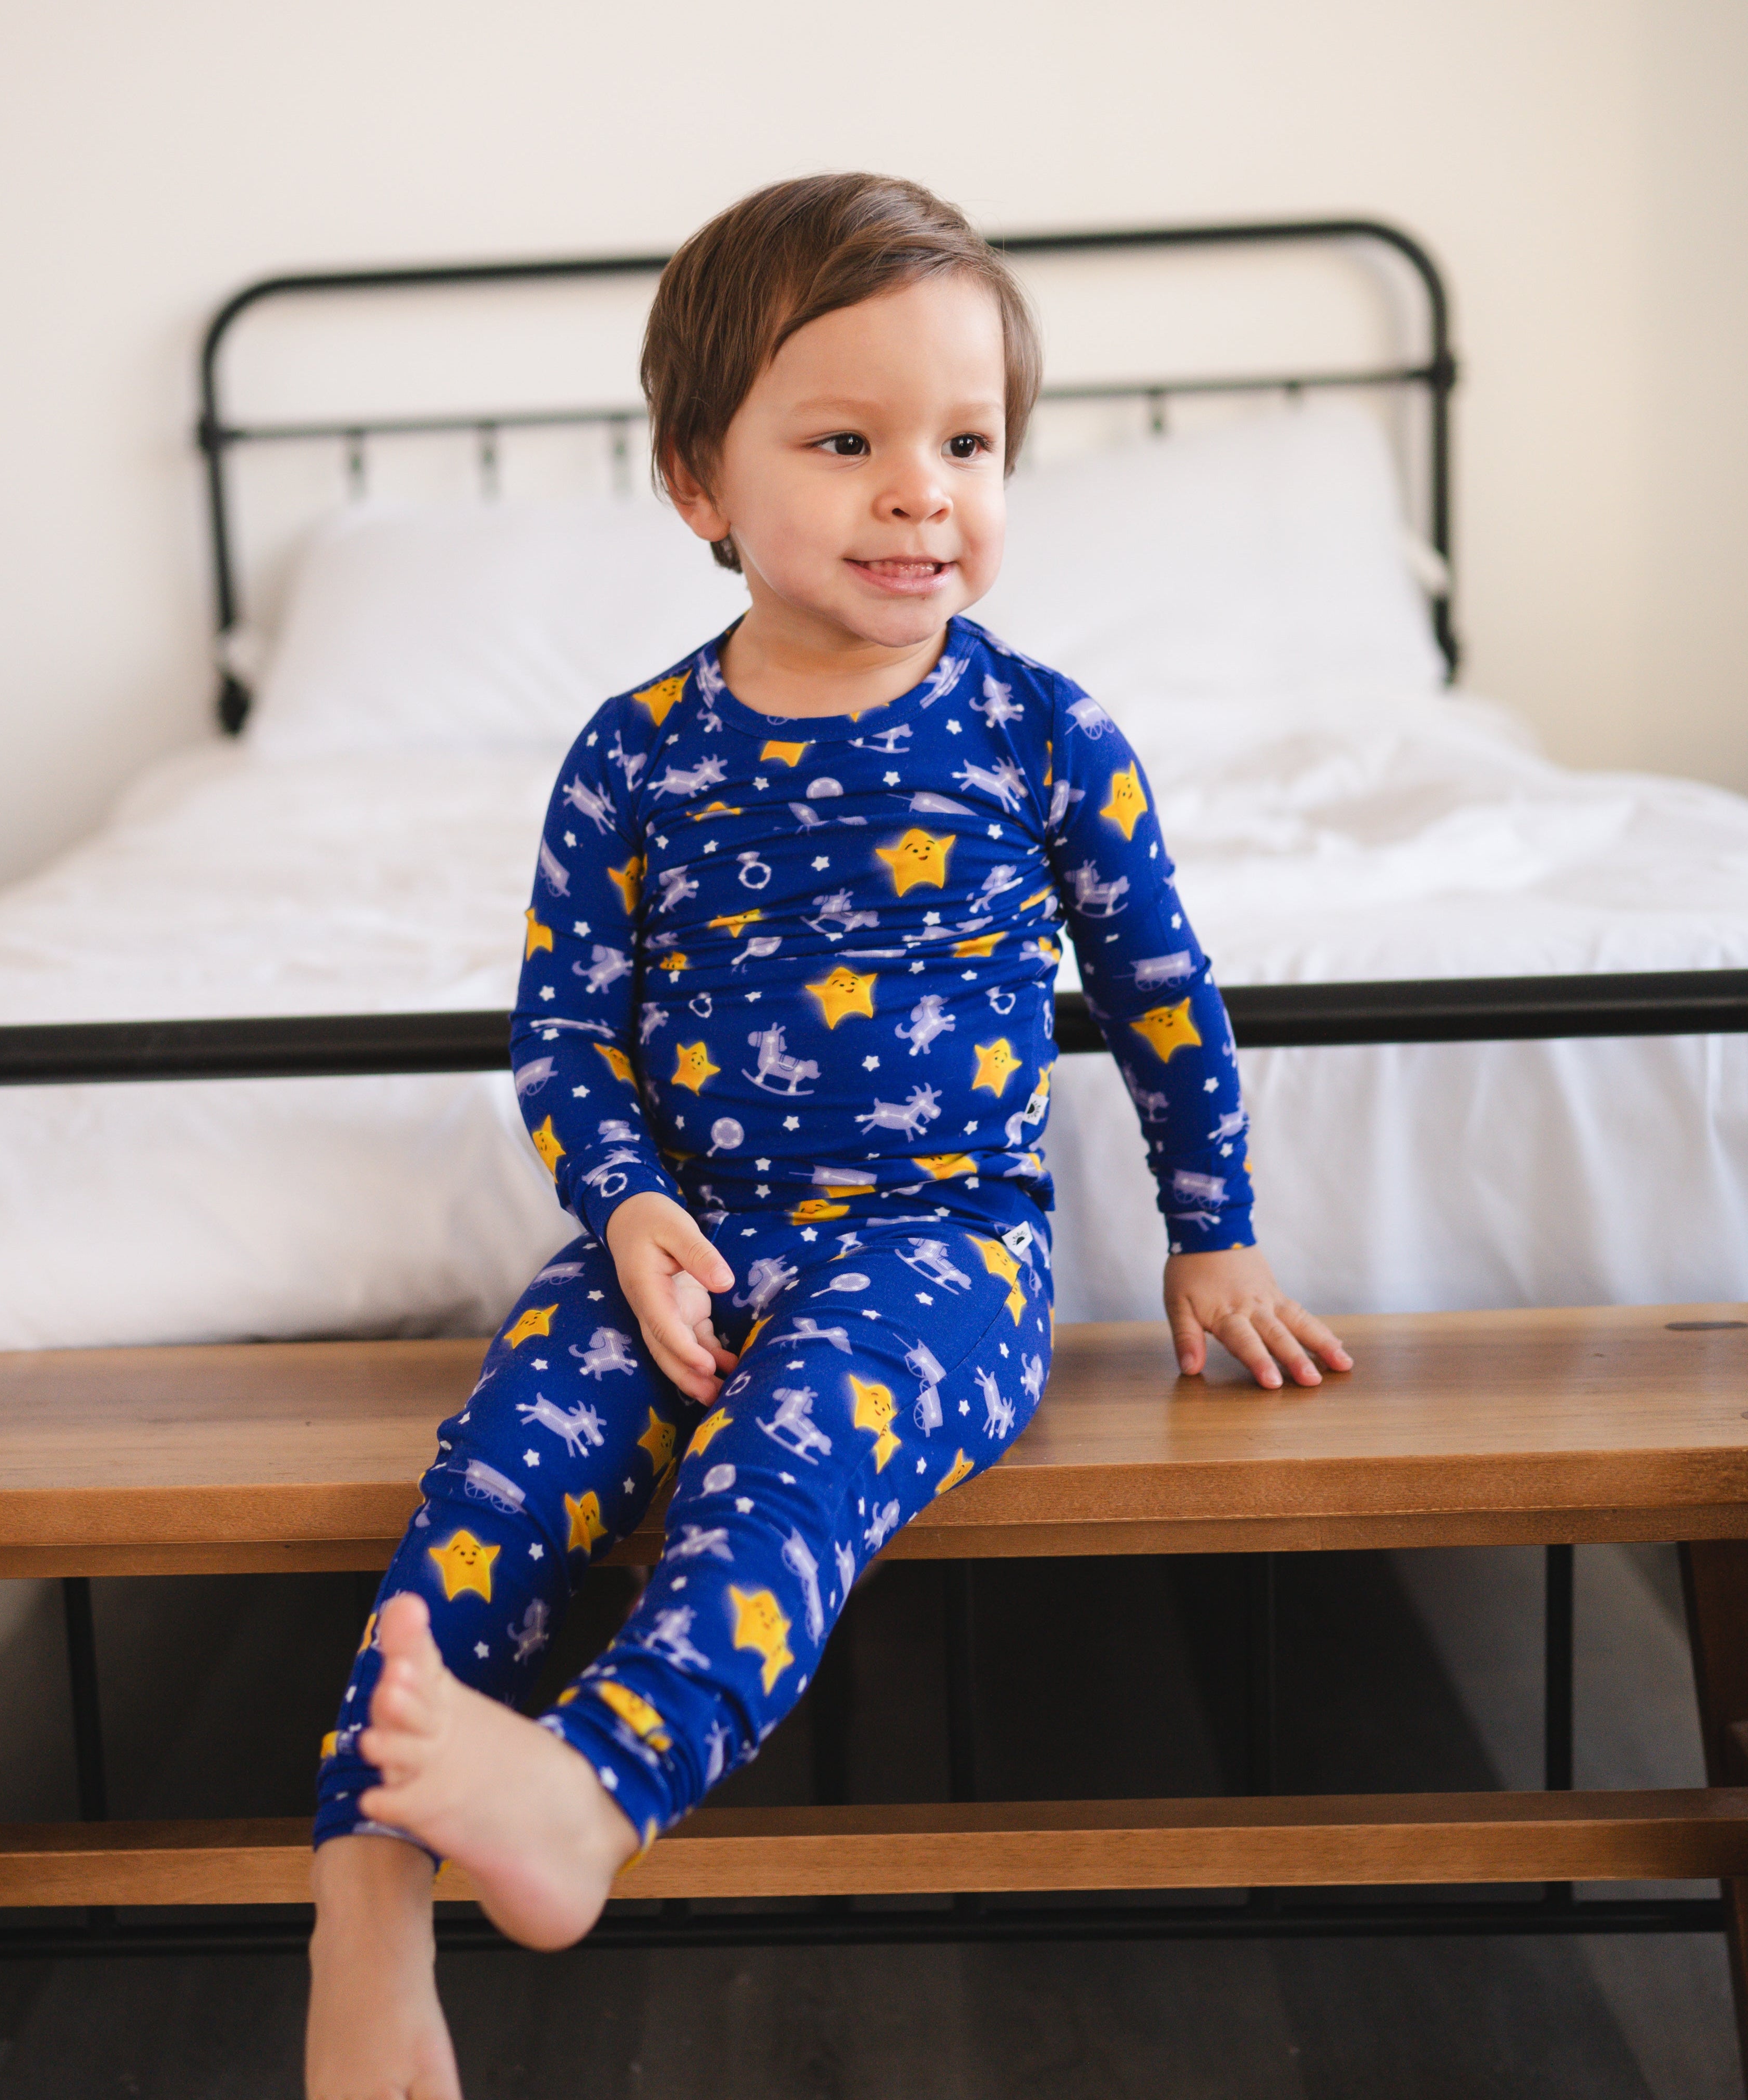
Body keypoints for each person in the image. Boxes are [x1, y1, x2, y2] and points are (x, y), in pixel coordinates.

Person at [305, 171, 1349, 2099]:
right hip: (682, 1238)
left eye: (968, 441)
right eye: (848, 440)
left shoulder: (1042, 733)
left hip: (940, 1250)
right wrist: (619, 1212)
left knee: (776, 1479)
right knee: (495, 1479)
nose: (920, 489)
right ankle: (361, 1901)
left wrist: (1217, 1236)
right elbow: (567, 1029)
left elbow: (1161, 995)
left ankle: (591, 1794)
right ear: (699, 482)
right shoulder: (633, 751)